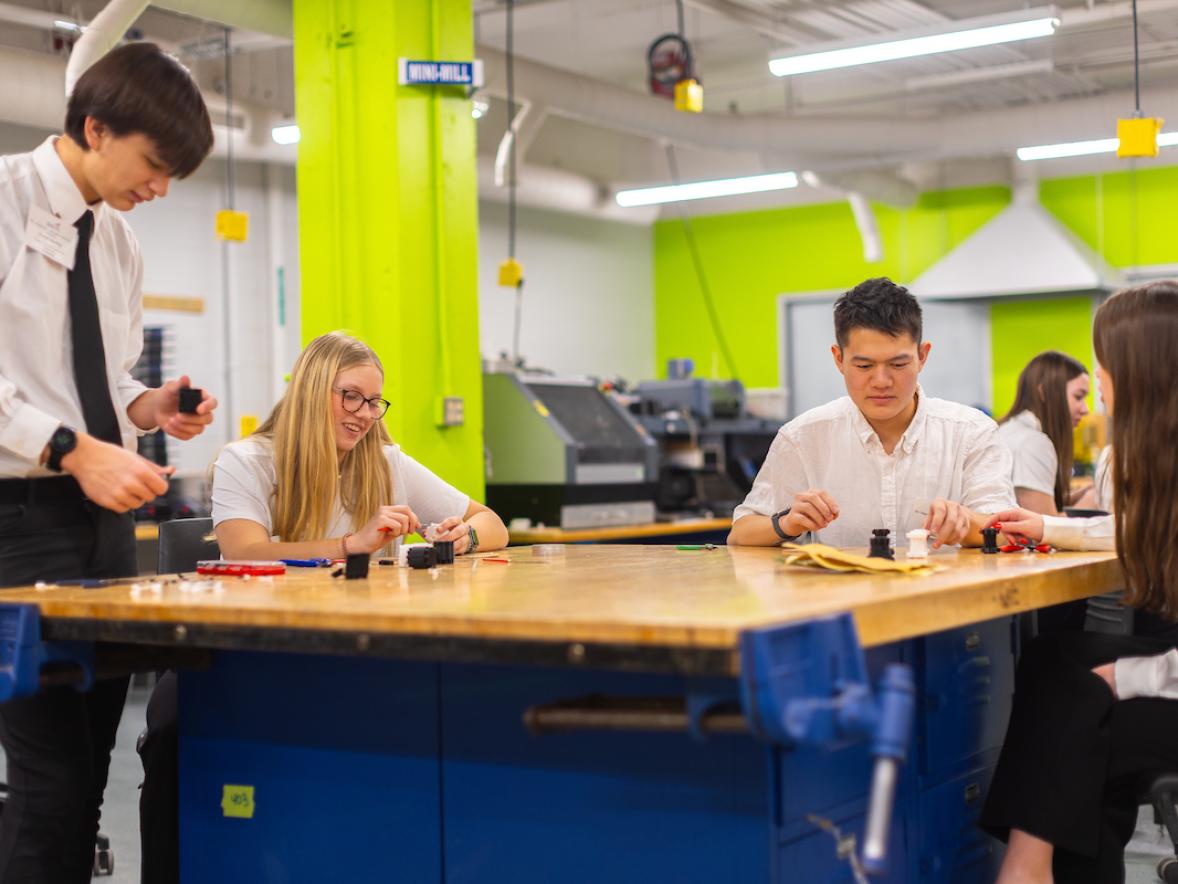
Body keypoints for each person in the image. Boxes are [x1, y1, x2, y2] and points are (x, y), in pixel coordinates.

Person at [140, 331, 508, 881]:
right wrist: (349, 545)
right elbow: (244, 550)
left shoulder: (385, 462)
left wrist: (463, 537)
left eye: (374, 402)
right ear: (313, 390)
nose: (364, 414)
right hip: (245, 653)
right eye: (350, 396)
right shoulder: (249, 460)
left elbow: (492, 522)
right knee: (174, 723)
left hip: (352, 653)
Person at [0, 42, 215, 883]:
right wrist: (67, 448)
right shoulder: (3, 201)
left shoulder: (118, 241)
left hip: (106, 528)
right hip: (17, 523)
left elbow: (110, 377)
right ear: (96, 128)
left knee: (90, 780)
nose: (159, 188)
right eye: (154, 165)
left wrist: (150, 407)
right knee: (50, 787)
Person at [979, 280, 1178, 883]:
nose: (1097, 387)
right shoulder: (1141, 457)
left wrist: (1129, 677)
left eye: (1102, 366)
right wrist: (1045, 526)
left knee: (1082, 724)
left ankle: (1027, 867)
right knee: (1050, 660)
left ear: (1140, 371)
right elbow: (1129, 530)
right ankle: (1032, 865)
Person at [728, 277, 1015, 550]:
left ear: (922, 356)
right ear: (839, 359)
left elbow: (1008, 532)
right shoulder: (803, 436)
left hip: (946, 586)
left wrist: (966, 523)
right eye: (864, 366)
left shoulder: (972, 432)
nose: (881, 381)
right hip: (841, 587)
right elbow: (740, 534)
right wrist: (787, 523)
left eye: (898, 365)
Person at [996, 351, 1090, 516]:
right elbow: (1044, 525)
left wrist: (1073, 497)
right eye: (1078, 397)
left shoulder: (1011, 429)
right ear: (1044, 392)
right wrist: (1090, 503)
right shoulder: (1032, 444)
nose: (1085, 409)